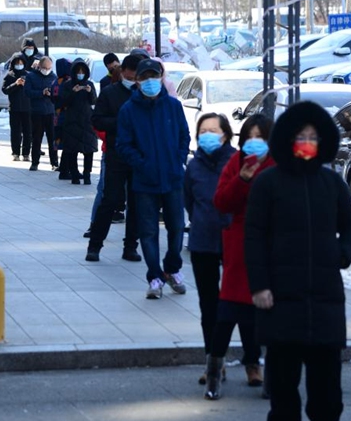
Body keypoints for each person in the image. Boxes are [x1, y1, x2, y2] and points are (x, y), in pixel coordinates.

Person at [245, 101, 351, 421]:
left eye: (313, 136)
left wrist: (343, 253)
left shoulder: (332, 183)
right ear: (287, 140)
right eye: (301, 136)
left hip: (325, 299)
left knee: (326, 381)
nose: (307, 142)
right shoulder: (268, 183)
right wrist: (260, 286)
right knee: (282, 385)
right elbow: (253, 236)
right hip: (280, 299)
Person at [205, 113, 276, 400]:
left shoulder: (277, 165)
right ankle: (213, 374)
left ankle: (270, 373)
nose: (255, 143)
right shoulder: (236, 163)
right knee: (227, 313)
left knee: (268, 315)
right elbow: (221, 201)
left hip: (270, 247)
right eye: (250, 137)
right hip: (237, 244)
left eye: (260, 137)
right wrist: (242, 180)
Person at [117, 58, 190, 299]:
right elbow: (123, 145)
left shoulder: (172, 106)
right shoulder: (128, 110)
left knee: (177, 227)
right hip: (145, 182)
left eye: (154, 76)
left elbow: (184, 135)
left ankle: (172, 268)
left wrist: (178, 159)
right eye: (145, 77)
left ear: (161, 78)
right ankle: (155, 277)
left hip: (172, 178)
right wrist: (142, 164)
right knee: (148, 232)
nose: (150, 82)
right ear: (137, 81)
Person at [182, 112, 237, 395]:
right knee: (208, 305)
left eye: (214, 130)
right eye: (203, 130)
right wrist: (202, 219)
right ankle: (213, 362)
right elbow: (189, 200)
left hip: (232, 240)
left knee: (234, 304)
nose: (208, 135)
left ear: (226, 134)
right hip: (203, 240)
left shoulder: (237, 161)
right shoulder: (194, 165)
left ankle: (252, 361)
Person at [85, 54, 147, 263]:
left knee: (136, 202)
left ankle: (131, 246)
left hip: (140, 156)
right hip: (116, 154)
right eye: (135, 74)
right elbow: (97, 120)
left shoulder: (146, 93)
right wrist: (121, 122)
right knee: (109, 200)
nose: (137, 78)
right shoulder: (111, 93)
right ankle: (95, 245)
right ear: (126, 72)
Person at [59, 59, 97, 185]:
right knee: (71, 150)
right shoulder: (67, 85)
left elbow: (93, 101)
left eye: (82, 72)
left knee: (89, 150)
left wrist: (89, 91)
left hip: (87, 121)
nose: (80, 74)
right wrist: (73, 92)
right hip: (72, 120)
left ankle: (87, 174)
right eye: (78, 71)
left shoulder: (90, 84)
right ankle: (74, 174)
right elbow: (63, 102)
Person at [24, 56, 58, 171]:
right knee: (37, 138)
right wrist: (41, 93)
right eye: (44, 67)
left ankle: (54, 162)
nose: (46, 70)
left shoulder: (53, 77)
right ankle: (35, 162)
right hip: (37, 111)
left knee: (52, 138)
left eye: (49, 68)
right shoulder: (31, 76)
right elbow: (28, 92)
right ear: (39, 66)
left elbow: (58, 93)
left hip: (51, 112)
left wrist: (51, 94)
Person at [2, 55, 32, 161]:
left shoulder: (29, 75)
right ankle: (15, 152)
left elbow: (33, 89)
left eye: (21, 63)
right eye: (17, 63)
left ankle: (26, 153)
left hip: (27, 108)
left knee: (28, 132)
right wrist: (16, 84)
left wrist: (25, 85)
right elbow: (5, 90)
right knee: (15, 131)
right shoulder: (10, 76)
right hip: (14, 108)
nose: (19, 65)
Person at [53, 58, 72, 179]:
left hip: (57, 116)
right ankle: (65, 170)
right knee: (67, 144)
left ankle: (64, 168)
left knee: (65, 144)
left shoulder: (56, 82)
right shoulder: (64, 83)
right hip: (64, 117)